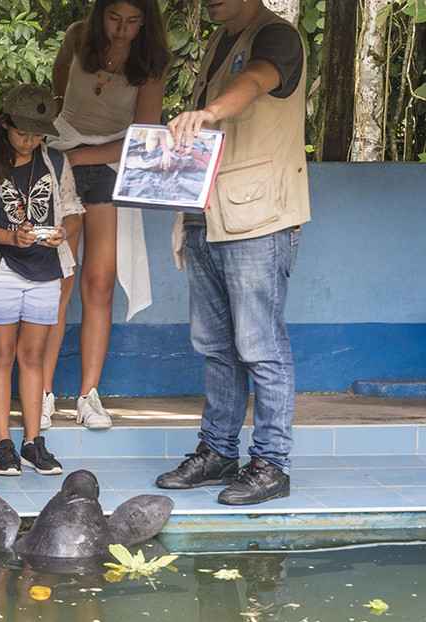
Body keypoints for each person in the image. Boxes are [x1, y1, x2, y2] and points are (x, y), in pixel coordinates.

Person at [155, 0, 309, 505]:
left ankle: (271, 463)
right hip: (207, 216)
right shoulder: (220, 40)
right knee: (216, 346)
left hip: (256, 219)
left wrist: (210, 110)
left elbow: (258, 79)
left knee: (261, 345)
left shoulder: (276, 37)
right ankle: (219, 452)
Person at [43, 0, 170, 430]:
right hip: (62, 157)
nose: (122, 29)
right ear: (100, 15)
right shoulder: (77, 36)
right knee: (58, 280)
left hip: (111, 163)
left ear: (145, 22)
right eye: (115, 18)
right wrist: (66, 149)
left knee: (98, 283)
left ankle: (88, 396)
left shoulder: (151, 60)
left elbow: (144, 136)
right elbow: (58, 98)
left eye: (133, 21)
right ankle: (41, 392)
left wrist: (81, 156)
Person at [0, 85, 83, 475]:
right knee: (3, 355)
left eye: (37, 134)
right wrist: (12, 236)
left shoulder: (57, 164)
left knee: (33, 357)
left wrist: (64, 230)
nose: (30, 140)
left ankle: (33, 443)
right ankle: (2, 443)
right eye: (22, 132)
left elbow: (73, 209)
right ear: (5, 124)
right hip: (4, 272)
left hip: (46, 272)